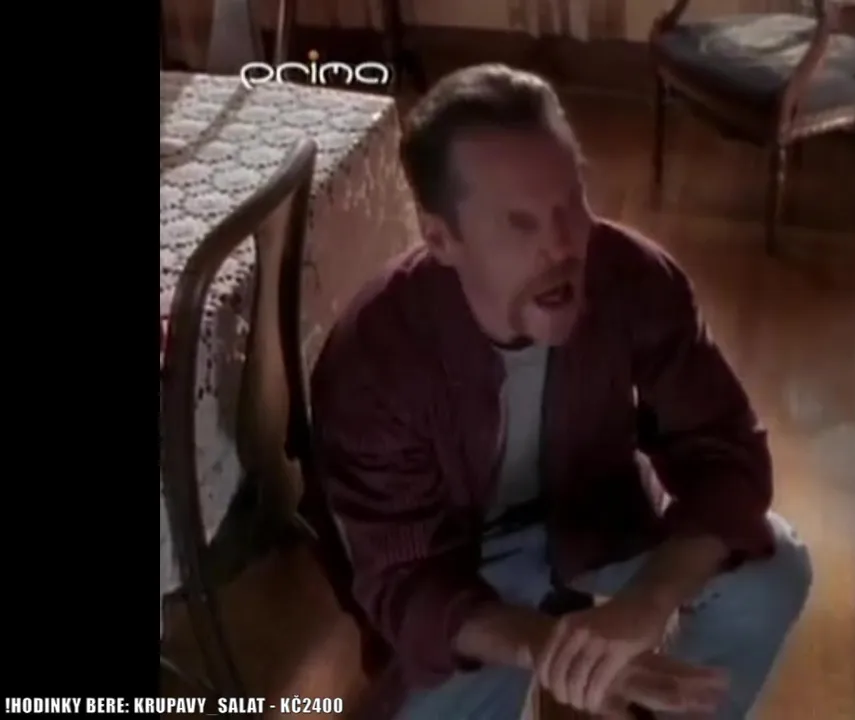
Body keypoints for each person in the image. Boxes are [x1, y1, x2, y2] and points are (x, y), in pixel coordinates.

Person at [309, 63, 813, 720]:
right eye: (520, 224)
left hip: (598, 519)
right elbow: (406, 582)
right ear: (440, 238)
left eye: (571, 203)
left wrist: (648, 603)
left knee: (776, 571)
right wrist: (551, 649)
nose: (562, 247)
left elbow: (727, 452)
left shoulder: (633, 277)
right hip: (466, 574)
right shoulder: (374, 360)